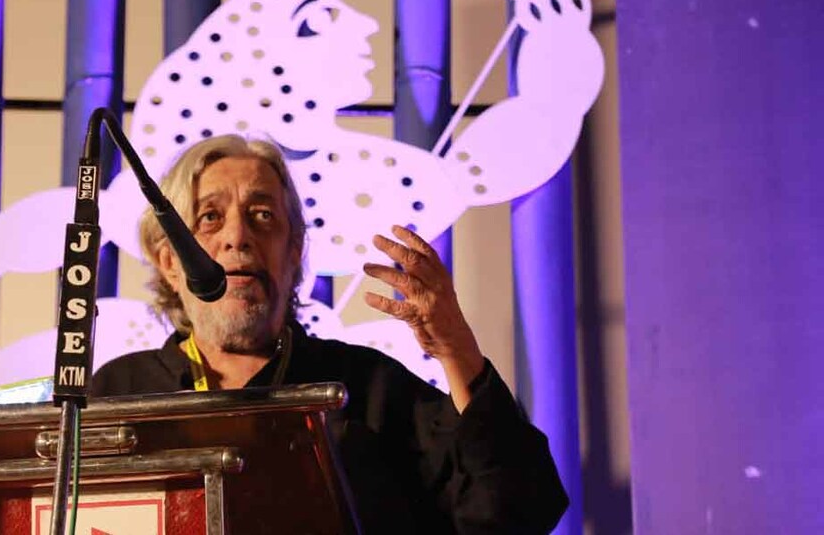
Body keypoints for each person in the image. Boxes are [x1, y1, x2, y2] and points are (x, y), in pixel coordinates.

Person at [90, 134, 568, 533]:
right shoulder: (119, 396)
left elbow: (518, 512)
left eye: (263, 216)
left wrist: (456, 348)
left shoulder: (365, 388)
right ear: (170, 262)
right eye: (210, 217)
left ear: (294, 250)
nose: (238, 236)